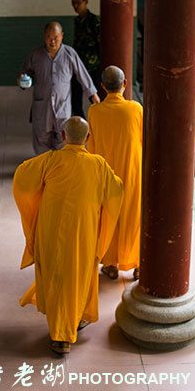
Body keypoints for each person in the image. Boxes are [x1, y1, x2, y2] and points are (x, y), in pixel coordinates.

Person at [14, 117, 123, 354]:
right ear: (88, 138)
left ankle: (61, 332)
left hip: (50, 228)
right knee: (79, 274)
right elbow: (115, 191)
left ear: (63, 137)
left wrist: (36, 198)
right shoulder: (98, 164)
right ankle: (66, 330)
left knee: (55, 275)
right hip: (84, 231)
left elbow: (21, 179)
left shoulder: (49, 160)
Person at [87, 66, 142, 281]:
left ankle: (110, 265)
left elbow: (89, 144)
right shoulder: (135, 109)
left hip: (106, 175)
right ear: (125, 84)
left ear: (102, 87)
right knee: (133, 217)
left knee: (107, 217)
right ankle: (138, 264)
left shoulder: (94, 112)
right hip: (131, 172)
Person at [19, 21, 100, 155]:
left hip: (62, 108)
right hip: (42, 108)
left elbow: (83, 75)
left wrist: (94, 97)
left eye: (56, 37)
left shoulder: (69, 54)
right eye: (49, 37)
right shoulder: (36, 55)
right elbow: (25, 74)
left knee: (64, 142)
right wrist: (22, 80)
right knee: (41, 143)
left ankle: (60, 171)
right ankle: (45, 171)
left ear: (62, 36)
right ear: (44, 36)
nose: (52, 41)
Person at [71, 0, 102, 118]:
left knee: (95, 99)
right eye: (73, 2)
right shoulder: (77, 21)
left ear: (86, 1)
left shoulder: (94, 21)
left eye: (78, 2)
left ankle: (99, 124)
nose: (75, 6)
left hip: (92, 67)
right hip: (78, 67)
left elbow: (101, 44)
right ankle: (81, 127)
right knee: (75, 100)